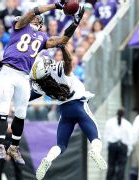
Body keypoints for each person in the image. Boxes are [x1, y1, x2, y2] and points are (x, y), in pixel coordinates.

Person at [0, 1, 86, 165]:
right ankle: (0, 145)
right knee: (3, 109)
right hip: (8, 71)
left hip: (23, 76)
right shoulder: (19, 26)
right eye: (34, 17)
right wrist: (55, 5)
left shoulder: (42, 37)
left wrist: (76, 22)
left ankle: (14, 148)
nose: (34, 18)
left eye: (37, 18)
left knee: (21, 114)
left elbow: (62, 40)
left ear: (41, 22)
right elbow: (32, 11)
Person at [29, 45, 107, 180]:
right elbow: (69, 61)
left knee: (61, 145)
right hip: (79, 105)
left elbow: (27, 97)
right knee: (95, 137)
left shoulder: (42, 84)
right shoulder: (59, 70)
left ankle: (48, 158)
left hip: (64, 112)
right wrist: (63, 48)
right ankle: (95, 151)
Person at [104, 108, 133, 180]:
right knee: (121, 167)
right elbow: (130, 138)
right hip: (123, 146)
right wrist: (129, 149)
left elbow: (105, 135)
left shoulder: (109, 122)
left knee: (111, 166)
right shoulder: (128, 124)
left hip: (112, 145)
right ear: (124, 114)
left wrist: (106, 146)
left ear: (116, 113)